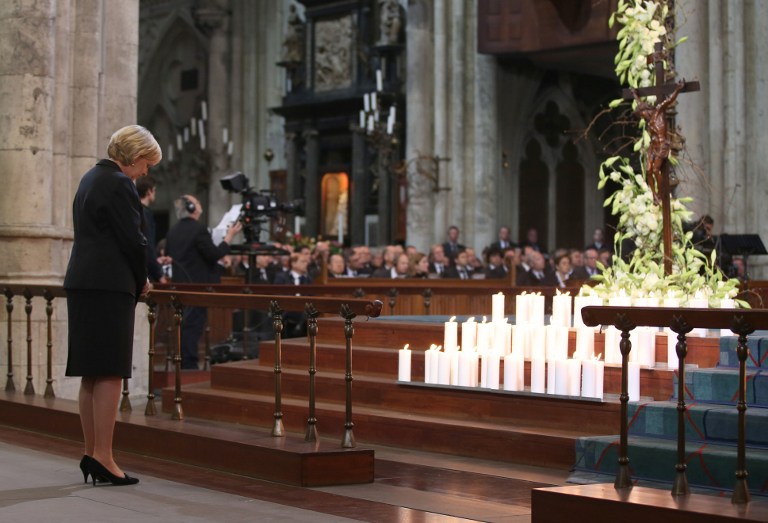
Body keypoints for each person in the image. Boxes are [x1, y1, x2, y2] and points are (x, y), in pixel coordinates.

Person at [64, 124, 161, 486]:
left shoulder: (91, 177)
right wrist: (142, 280)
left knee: (92, 371)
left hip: (84, 281)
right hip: (109, 284)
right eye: (147, 164)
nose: (146, 172)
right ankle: (103, 456)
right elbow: (133, 241)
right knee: (109, 372)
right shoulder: (120, 183)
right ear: (135, 158)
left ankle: (92, 453)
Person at [165, 194, 242, 369]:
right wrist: (228, 237)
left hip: (179, 285)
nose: (200, 205)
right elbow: (213, 254)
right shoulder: (199, 229)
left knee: (183, 325)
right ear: (192, 208)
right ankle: (189, 365)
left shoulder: (173, 231)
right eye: (198, 203)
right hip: (197, 285)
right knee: (193, 326)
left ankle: (182, 361)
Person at [135, 176, 168, 283]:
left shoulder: (134, 210)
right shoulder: (145, 214)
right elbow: (147, 245)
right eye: (154, 190)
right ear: (149, 192)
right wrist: (159, 274)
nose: (155, 194)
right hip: (145, 273)